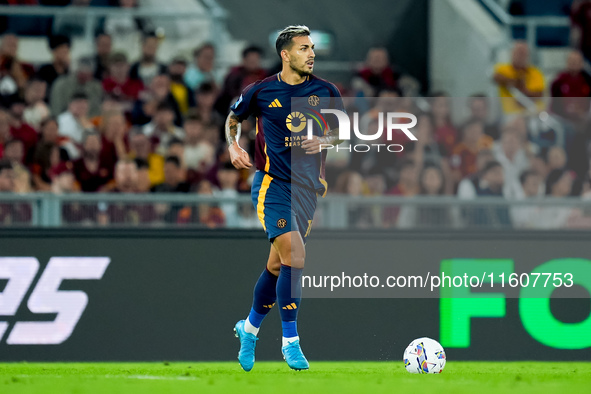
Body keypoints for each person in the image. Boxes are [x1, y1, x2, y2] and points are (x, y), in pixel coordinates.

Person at [226, 25, 345, 372]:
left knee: (278, 266)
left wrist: (325, 142)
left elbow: (341, 132)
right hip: (272, 185)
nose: (311, 54)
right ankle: (290, 343)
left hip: (307, 192)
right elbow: (234, 117)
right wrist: (233, 144)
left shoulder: (326, 90)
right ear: (286, 54)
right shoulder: (262, 91)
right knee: (296, 254)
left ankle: (248, 329)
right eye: (304, 48)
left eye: (312, 48)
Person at [493, 41, 545, 114]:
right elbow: (496, 78)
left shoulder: (536, 72)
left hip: (532, 113)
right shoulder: (503, 69)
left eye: (523, 54)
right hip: (510, 114)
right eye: (519, 53)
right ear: (512, 53)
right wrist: (517, 82)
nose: (521, 56)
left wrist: (521, 89)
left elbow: (539, 94)